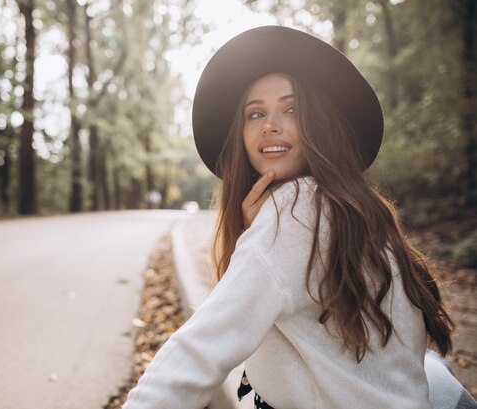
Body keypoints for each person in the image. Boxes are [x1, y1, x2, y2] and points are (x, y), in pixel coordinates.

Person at [122, 26, 467, 409]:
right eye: (256, 113)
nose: (270, 124)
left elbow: (201, 346)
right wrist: (257, 234)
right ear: (242, 134)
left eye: (292, 109)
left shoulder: (294, 211)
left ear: (318, 124)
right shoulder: (354, 206)